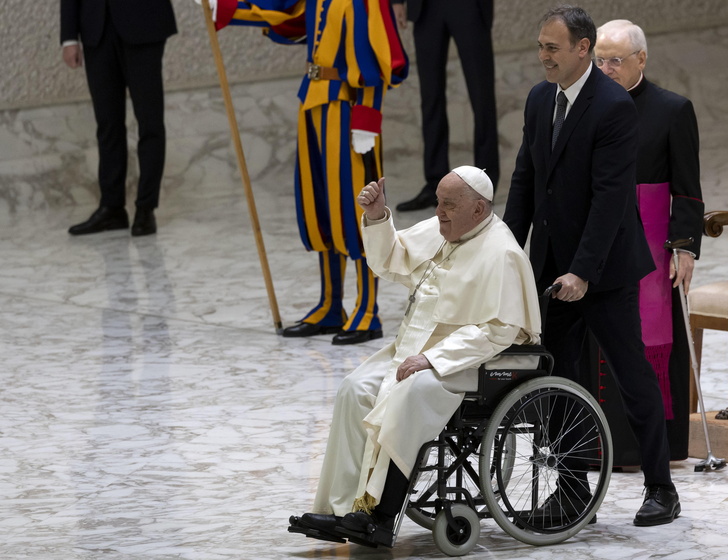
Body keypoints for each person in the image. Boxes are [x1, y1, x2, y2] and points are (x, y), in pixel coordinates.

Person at [289, 166, 541, 544]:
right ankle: (340, 509)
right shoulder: (443, 229)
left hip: (469, 363)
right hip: (413, 349)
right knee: (355, 388)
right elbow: (392, 258)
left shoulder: (501, 252)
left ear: (478, 209)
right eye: (438, 202)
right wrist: (377, 217)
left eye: (448, 205)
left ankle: (381, 516)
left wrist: (434, 359)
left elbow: (499, 330)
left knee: (408, 394)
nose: (438, 211)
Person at [502, 5, 680, 526]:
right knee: (558, 378)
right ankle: (574, 490)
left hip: (603, 271)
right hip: (553, 267)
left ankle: (661, 488)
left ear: (583, 49)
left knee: (632, 377)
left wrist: (583, 271)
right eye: (540, 47)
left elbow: (609, 200)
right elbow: (526, 180)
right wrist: (508, 252)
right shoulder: (540, 99)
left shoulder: (612, 106)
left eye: (552, 48)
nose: (543, 57)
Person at [210, 0, 408, 345]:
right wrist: (223, 7)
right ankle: (331, 305)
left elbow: (377, 54)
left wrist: (367, 119)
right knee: (321, 208)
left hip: (349, 110)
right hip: (313, 103)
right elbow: (289, 16)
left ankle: (367, 309)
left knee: (355, 210)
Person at [594, 19, 704, 460]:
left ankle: (652, 448)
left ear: (641, 59)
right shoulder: (587, 105)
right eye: (598, 60)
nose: (605, 70)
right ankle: (606, 446)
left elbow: (689, 188)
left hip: (652, 247)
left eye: (615, 61)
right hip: (600, 242)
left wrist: (684, 246)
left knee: (647, 342)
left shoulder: (672, 109)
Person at [60, 0, 177, 237]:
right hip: (96, 27)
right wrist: (69, 37)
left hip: (144, 23)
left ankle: (146, 207)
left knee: (150, 122)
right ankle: (112, 208)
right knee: (108, 124)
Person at [390, 0, 500, 211]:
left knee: (481, 97)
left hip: (469, 7)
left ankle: (485, 182)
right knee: (430, 98)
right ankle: (435, 185)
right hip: (426, 7)